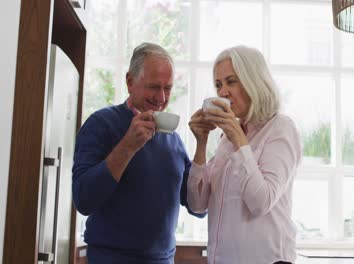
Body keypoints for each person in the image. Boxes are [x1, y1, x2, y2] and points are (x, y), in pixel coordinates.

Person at [72, 42, 204, 264]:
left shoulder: (173, 140)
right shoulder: (101, 124)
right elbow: (83, 200)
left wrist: (203, 144)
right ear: (130, 81)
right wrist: (128, 146)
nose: (161, 98)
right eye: (154, 86)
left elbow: (198, 207)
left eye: (168, 88)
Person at [187, 45, 302, 264]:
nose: (223, 93)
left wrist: (237, 138)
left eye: (231, 81)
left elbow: (261, 201)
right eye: (218, 85)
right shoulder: (227, 139)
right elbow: (197, 204)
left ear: (254, 81)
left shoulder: (280, 128)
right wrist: (201, 144)